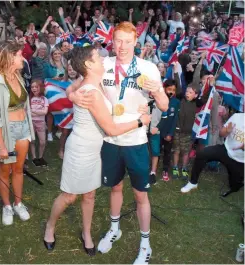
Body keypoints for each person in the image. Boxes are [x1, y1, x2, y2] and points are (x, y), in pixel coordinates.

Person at [68, 22, 168, 264]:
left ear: (136, 42)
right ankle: (115, 229)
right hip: (109, 140)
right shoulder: (105, 65)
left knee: (140, 195)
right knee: (114, 188)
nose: (121, 46)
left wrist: (156, 92)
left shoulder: (148, 68)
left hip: (135, 141)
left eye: (127, 41)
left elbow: (164, 105)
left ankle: (145, 244)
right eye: (118, 40)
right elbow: (74, 86)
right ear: (112, 41)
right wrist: (72, 96)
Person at [43, 45, 151, 256]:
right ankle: (50, 226)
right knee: (69, 196)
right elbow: (110, 129)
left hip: (96, 149)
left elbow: (70, 88)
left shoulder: (95, 80)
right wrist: (140, 122)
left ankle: (87, 233)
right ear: (88, 64)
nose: (103, 59)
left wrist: (71, 93)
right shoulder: (90, 91)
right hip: (81, 149)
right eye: (97, 57)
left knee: (90, 195)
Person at [0, 41, 35, 226]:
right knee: (5, 170)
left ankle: (18, 203)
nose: (23, 58)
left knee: (19, 169)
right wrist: (1, 145)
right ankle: (7, 206)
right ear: (8, 57)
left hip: (22, 127)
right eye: (20, 55)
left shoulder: (17, 75)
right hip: (6, 132)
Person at [181, 113, 244, 193]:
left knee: (235, 187)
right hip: (226, 150)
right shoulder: (236, 116)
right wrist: (227, 131)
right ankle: (193, 182)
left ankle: (237, 181)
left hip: (240, 160)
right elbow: (221, 134)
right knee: (202, 154)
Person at [30, 80, 48, 167]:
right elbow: (28, 113)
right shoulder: (29, 99)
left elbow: (45, 112)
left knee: (42, 142)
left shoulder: (45, 99)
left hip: (41, 122)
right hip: (31, 122)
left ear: (40, 88)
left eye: (36, 87)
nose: (34, 88)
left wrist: (33, 111)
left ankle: (41, 157)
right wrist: (39, 111)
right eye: (32, 87)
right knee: (32, 140)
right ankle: (34, 158)